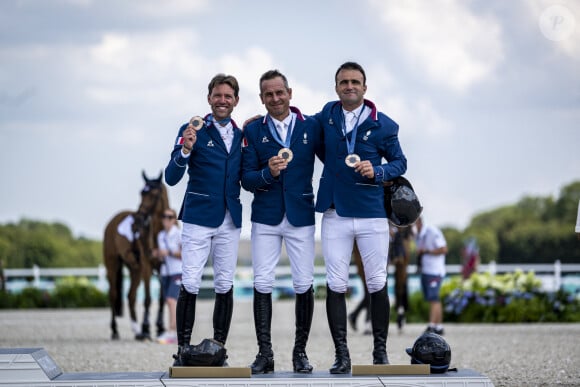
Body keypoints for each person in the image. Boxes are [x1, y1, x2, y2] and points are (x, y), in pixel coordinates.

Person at [314, 61, 407, 373]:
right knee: (335, 283)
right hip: (335, 212)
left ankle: (380, 352)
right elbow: (302, 131)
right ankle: (342, 354)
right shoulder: (327, 115)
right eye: (343, 82)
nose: (349, 86)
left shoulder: (385, 125)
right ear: (336, 86)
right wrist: (261, 121)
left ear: (365, 88)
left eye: (355, 82)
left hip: (371, 212)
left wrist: (378, 170)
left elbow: (400, 162)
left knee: (377, 281)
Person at [241, 69, 324, 374]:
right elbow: (246, 179)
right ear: (261, 99)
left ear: (290, 93)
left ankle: (300, 353)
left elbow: (335, 150)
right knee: (262, 283)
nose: (275, 98)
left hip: (300, 214)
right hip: (266, 216)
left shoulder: (311, 126)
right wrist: (268, 173)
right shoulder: (251, 132)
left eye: (280, 92)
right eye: (268, 94)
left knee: (304, 283)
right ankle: (265, 353)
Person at [164, 73, 243, 366]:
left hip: (230, 219)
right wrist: (185, 149)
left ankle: (219, 348)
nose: (222, 100)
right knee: (191, 281)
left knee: (225, 283)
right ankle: (182, 350)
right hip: (198, 216)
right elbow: (171, 177)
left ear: (236, 101)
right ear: (209, 98)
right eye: (217, 95)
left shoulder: (241, 135)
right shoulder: (191, 129)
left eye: (228, 96)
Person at [414, 216, 448, 335]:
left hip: (435, 270)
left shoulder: (432, 231)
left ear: (419, 222)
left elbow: (444, 249)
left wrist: (427, 251)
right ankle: (438, 326)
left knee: (434, 298)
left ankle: (431, 326)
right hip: (426, 270)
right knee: (433, 299)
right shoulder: (418, 235)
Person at [155, 208, 182, 345]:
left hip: (177, 270)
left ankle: (173, 331)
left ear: (174, 219)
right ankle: (172, 329)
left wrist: (169, 252)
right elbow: (161, 255)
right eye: (164, 216)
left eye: (169, 217)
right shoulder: (160, 235)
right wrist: (158, 254)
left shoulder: (179, 234)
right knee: (169, 301)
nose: (166, 219)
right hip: (165, 271)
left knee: (172, 301)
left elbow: (185, 254)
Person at [389, 226, 412, 331]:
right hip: (400, 262)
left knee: (400, 289)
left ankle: (401, 312)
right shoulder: (402, 235)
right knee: (400, 289)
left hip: (400, 261)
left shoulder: (401, 235)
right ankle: (400, 312)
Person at [347, 242, 371, 335]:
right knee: (370, 294)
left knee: (368, 295)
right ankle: (367, 322)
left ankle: (354, 316)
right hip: (364, 263)